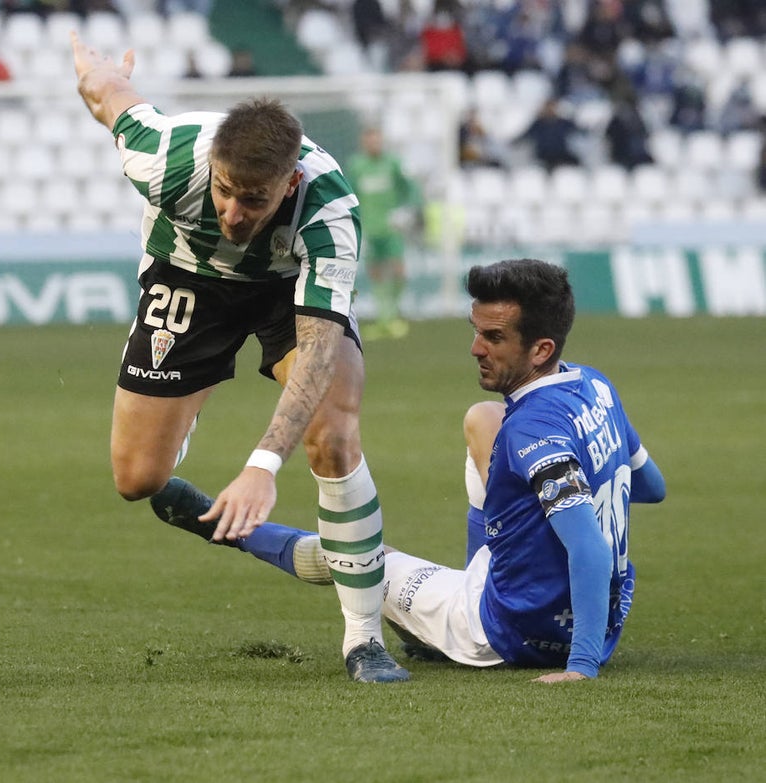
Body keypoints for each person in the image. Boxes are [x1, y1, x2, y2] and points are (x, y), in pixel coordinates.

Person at [71, 32, 408, 683]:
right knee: (138, 477)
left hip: (287, 292)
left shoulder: (330, 211)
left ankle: (364, 638)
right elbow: (111, 98)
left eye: (253, 199)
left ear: (291, 183)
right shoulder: (166, 157)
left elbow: (314, 354)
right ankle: (251, 511)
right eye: (224, 191)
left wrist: (262, 464)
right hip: (186, 279)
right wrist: (100, 73)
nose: (231, 211)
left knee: (334, 433)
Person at [155, 259, 667, 683]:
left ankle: (231, 531)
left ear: (541, 349)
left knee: (363, 558)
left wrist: (580, 667)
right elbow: (652, 487)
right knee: (483, 419)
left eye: (493, 338)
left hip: (511, 629)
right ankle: (479, 574)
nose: (475, 348)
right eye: (475, 332)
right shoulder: (596, 387)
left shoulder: (535, 430)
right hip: (603, 622)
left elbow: (589, 548)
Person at [345, 125, 422, 340]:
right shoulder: (356, 166)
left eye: (376, 139)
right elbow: (350, 194)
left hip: (392, 226)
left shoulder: (393, 163)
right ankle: (384, 319)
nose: (373, 143)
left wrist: (404, 210)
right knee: (375, 271)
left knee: (398, 270)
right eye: (369, 139)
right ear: (363, 142)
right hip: (370, 227)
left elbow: (410, 188)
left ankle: (394, 314)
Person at [515, 98, 582, 172]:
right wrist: (515, 142)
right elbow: (526, 135)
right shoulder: (538, 124)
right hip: (544, 154)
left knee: (576, 164)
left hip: (561, 153)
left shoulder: (563, 123)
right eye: (548, 107)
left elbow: (577, 129)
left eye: (552, 107)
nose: (550, 110)